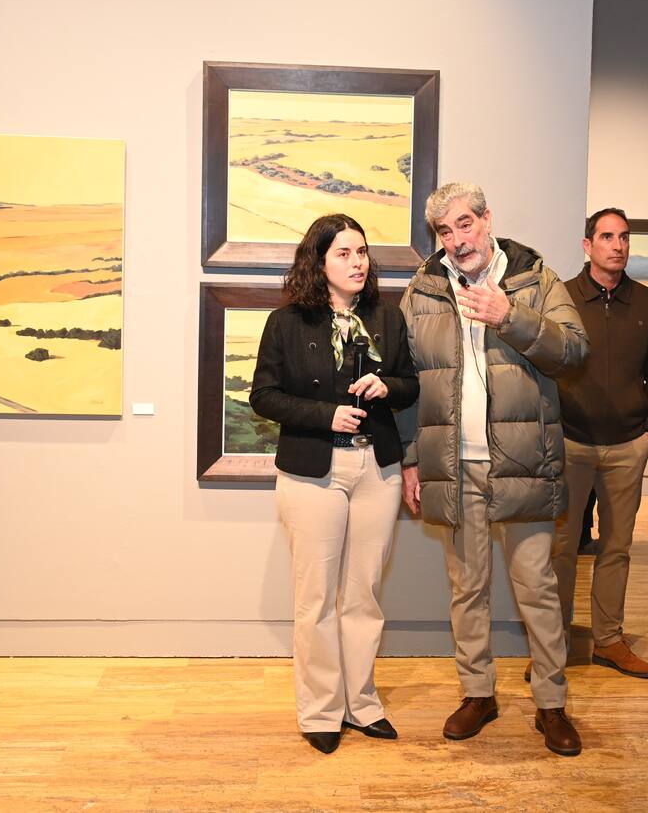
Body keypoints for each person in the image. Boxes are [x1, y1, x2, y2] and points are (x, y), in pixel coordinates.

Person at [398, 181, 589, 756]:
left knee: (538, 590)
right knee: (467, 589)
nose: (457, 241)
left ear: (487, 220)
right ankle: (478, 694)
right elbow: (410, 388)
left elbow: (575, 351)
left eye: (465, 224)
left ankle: (551, 705)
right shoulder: (424, 292)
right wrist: (412, 460)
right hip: (454, 468)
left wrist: (512, 317)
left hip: (524, 462)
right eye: (444, 232)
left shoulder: (534, 280)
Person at [250, 214, 419, 755]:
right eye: (344, 253)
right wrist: (326, 416)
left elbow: (411, 386)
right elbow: (264, 396)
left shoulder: (388, 320)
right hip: (312, 473)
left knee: (363, 596)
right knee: (317, 599)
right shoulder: (286, 323)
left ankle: (361, 705)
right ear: (318, 261)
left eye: (362, 252)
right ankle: (321, 711)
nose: (358, 262)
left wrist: (385, 385)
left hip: (379, 470)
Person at [549, 208, 648, 679]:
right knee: (560, 548)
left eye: (623, 237)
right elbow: (542, 365)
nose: (617, 245)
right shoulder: (560, 298)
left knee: (617, 547)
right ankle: (553, 643)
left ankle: (609, 640)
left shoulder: (646, 303)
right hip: (570, 444)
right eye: (606, 236)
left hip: (627, 447)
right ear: (587, 245)